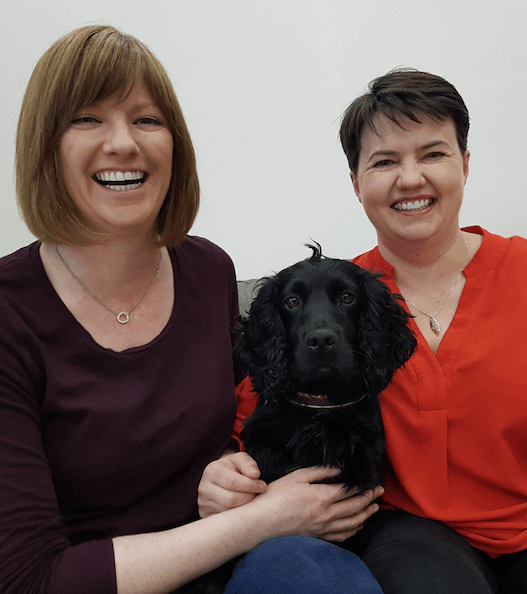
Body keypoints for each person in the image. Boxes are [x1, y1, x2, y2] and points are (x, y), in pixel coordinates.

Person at [0, 25, 385, 594]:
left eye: (147, 119)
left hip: (235, 566)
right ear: (43, 145)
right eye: (86, 118)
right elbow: (28, 579)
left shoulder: (209, 271)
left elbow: (241, 416)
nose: (124, 143)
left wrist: (232, 476)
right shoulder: (11, 311)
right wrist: (259, 519)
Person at [200, 68, 527, 593]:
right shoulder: (342, 295)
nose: (411, 179)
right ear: (357, 182)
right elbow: (253, 416)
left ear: (465, 164)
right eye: (385, 162)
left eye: (433, 154)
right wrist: (225, 473)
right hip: (410, 533)